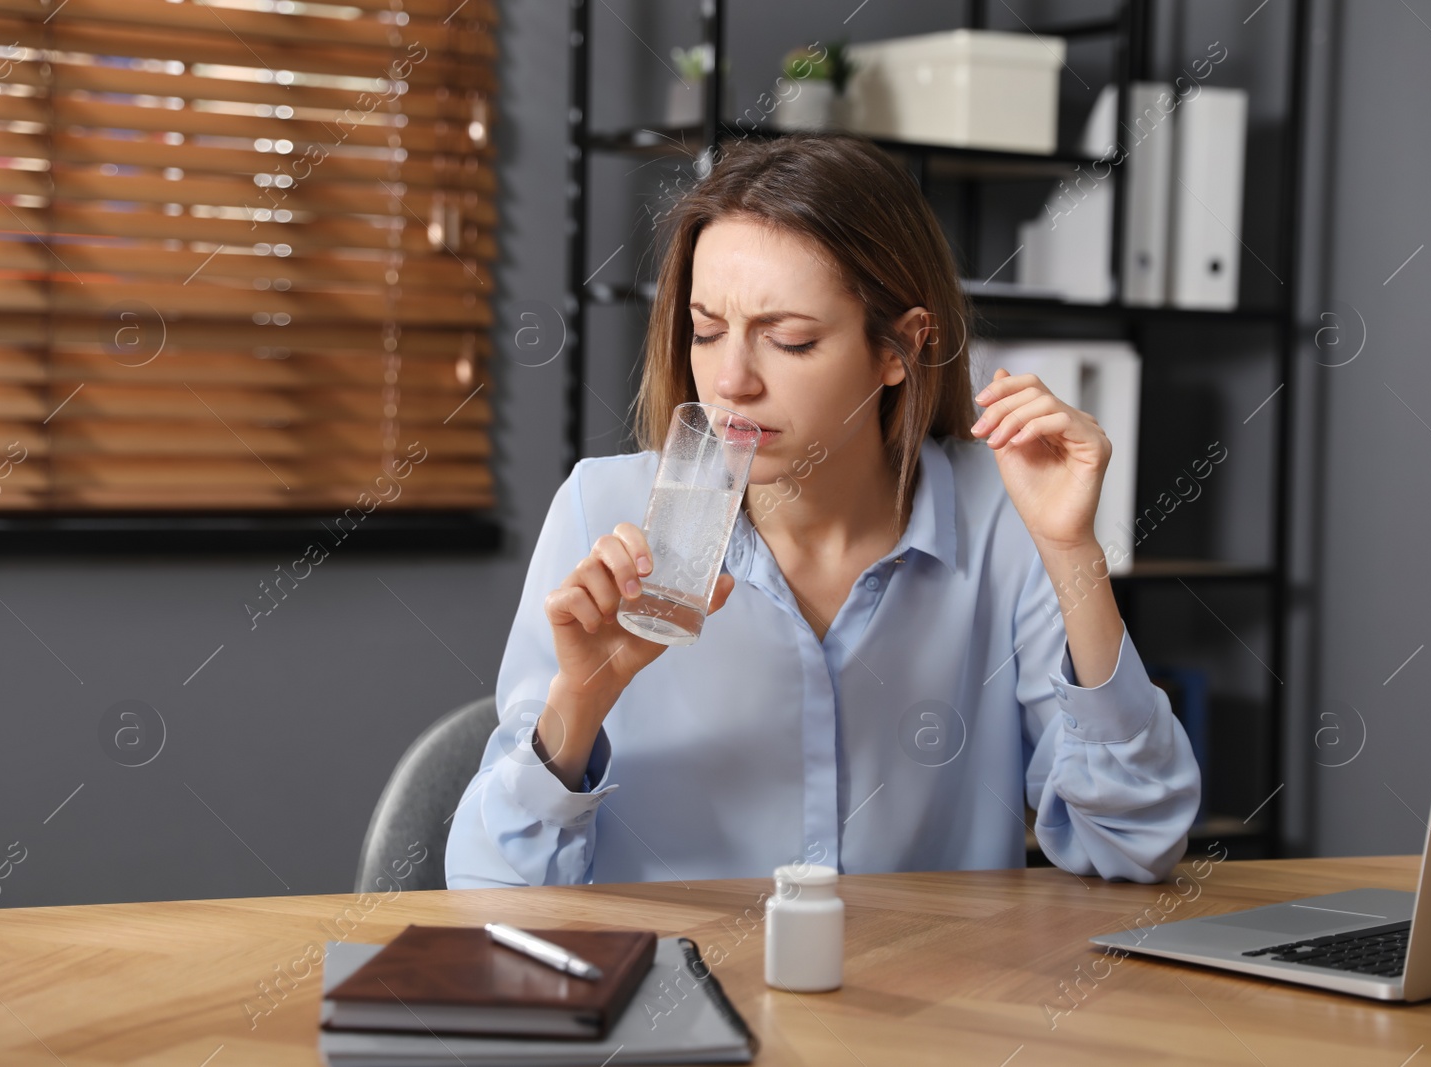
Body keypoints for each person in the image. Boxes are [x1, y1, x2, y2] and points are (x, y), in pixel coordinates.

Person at [445, 132, 1199, 889]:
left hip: (922, 1003)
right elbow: (491, 887)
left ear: (899, 348)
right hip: (675, 996)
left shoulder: (1002, 512)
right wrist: (581, 699)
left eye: (791, 341)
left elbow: (1134, 840)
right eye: (707, 331)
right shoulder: (601, 507)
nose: (731, 380)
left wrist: (1074, 552)